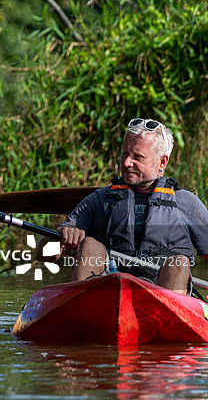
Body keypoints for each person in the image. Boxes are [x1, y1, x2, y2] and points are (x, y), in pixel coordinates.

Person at [39, 118, 208, 295]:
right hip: (108, 289)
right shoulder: (100, 199)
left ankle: (164, 311)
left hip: (163, 294)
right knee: (89, 245)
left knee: (179, 263)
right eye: (125, 154)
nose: (127, 162)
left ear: (162, 162)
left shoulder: (188, 204)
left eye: (137, 157)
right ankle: (82, 305)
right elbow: (44, 255)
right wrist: (58, 239)